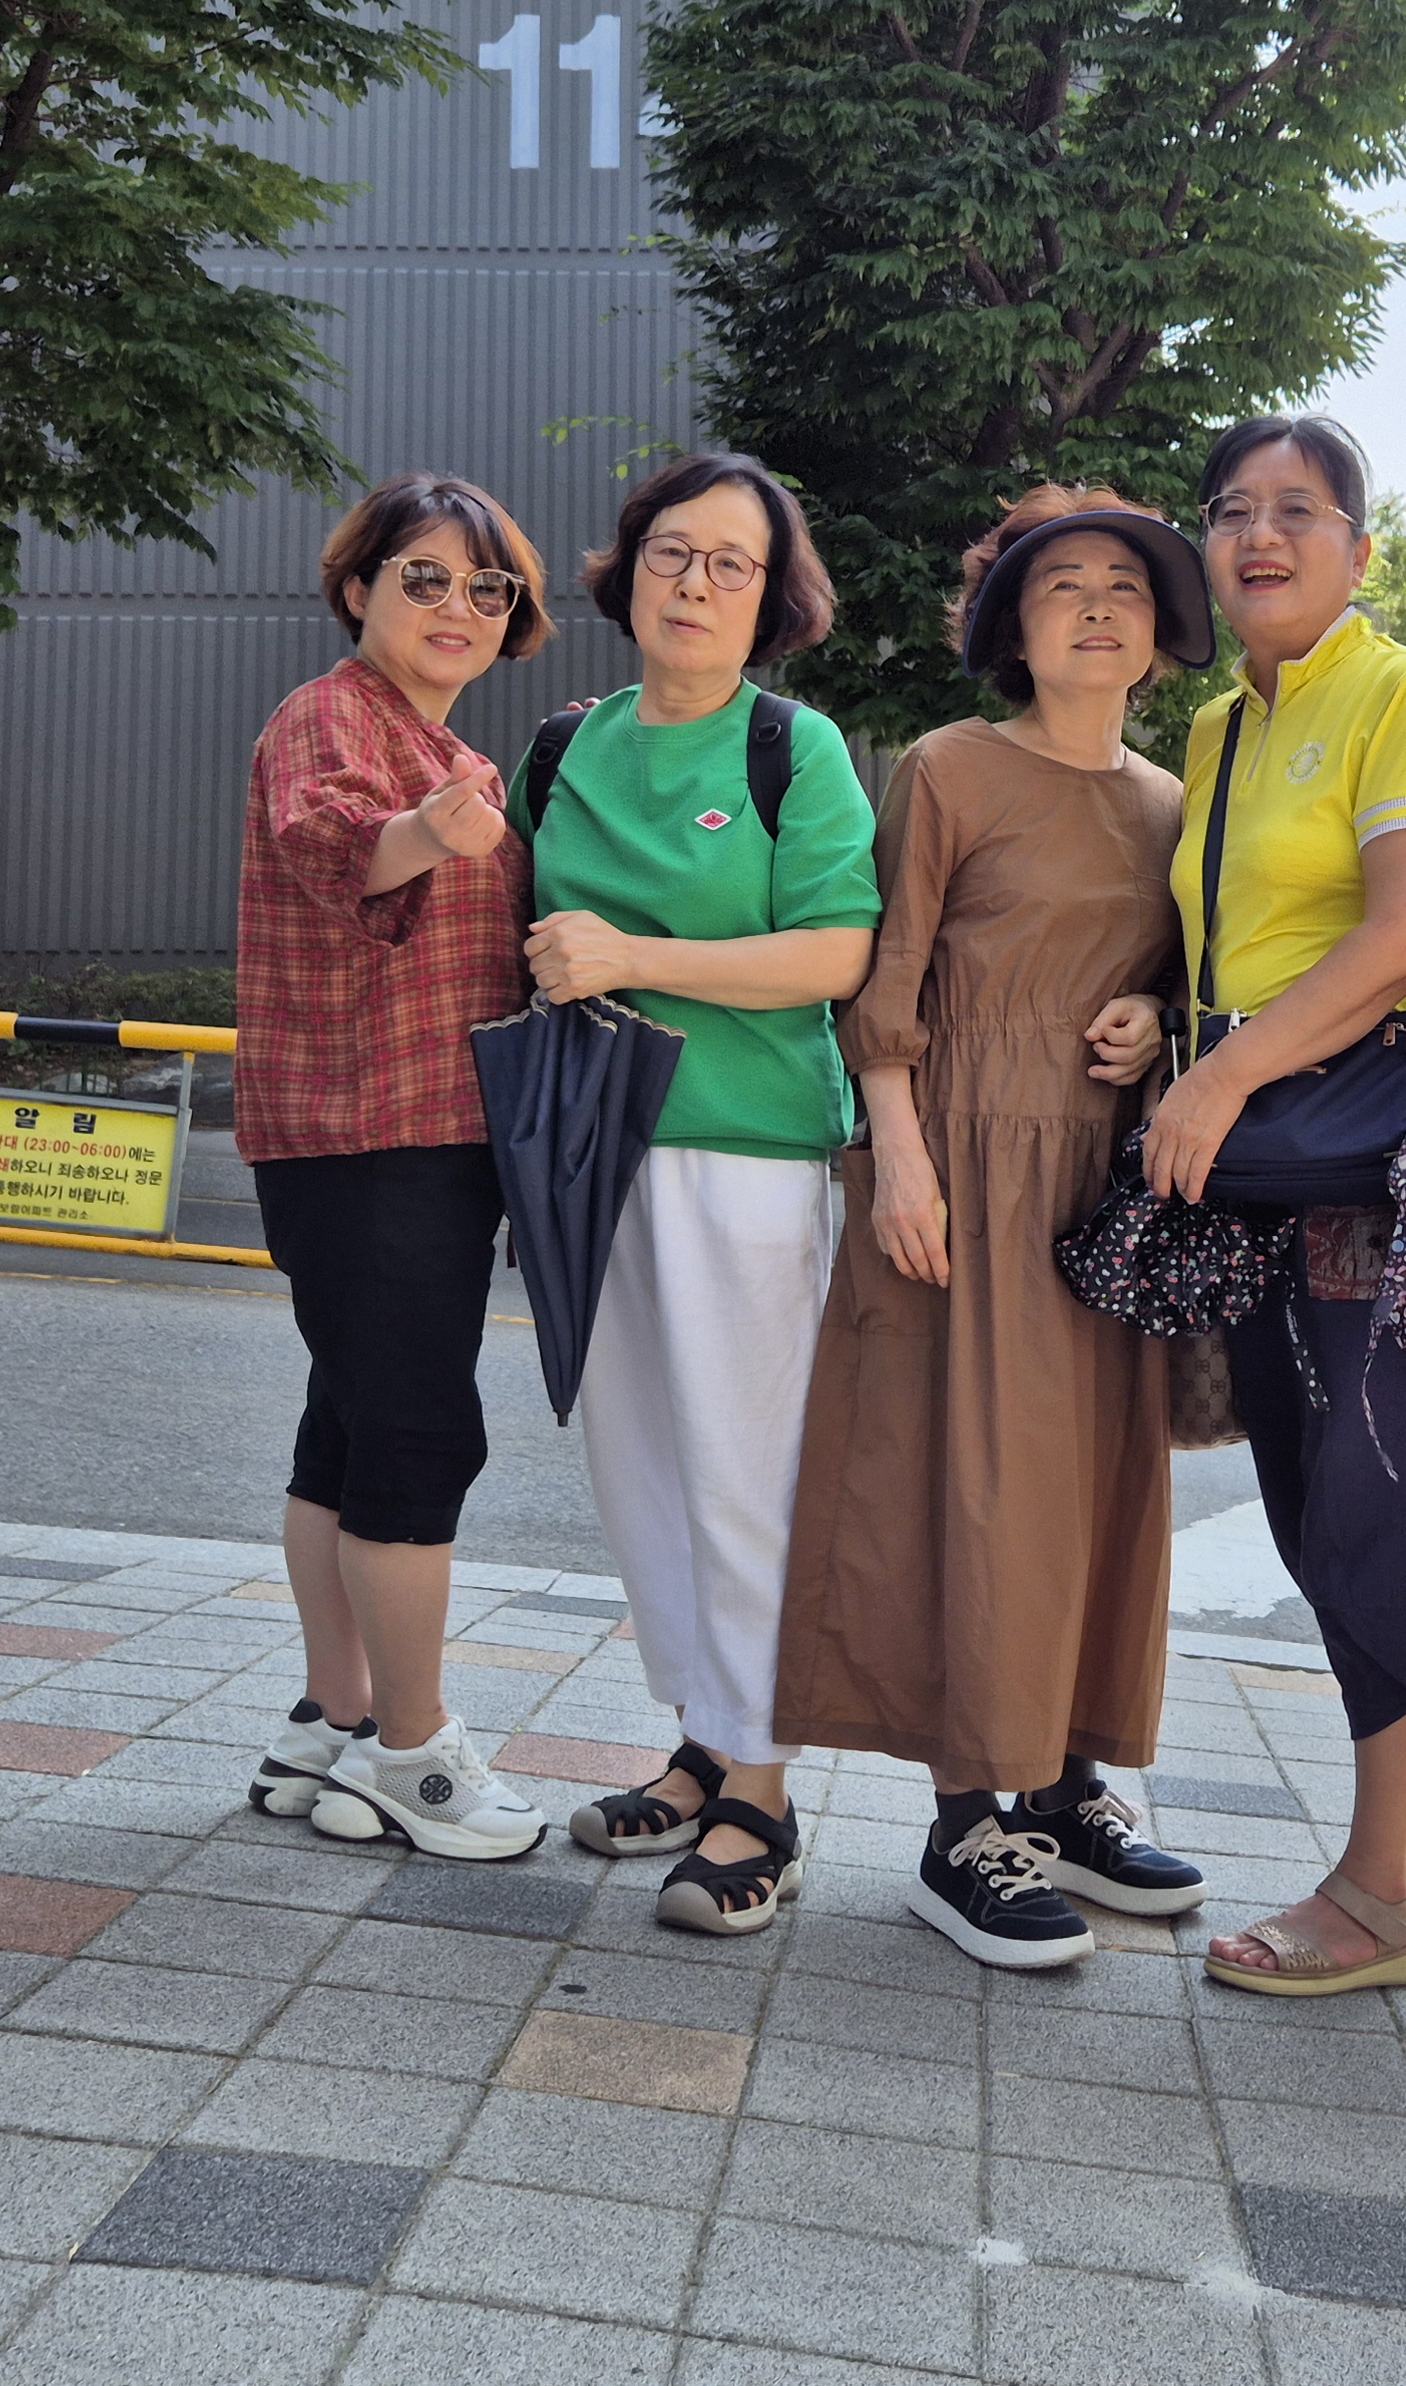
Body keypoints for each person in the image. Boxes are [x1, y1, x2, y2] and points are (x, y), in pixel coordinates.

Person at [775, 488, 1221, 1969]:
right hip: (960, 1161)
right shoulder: (951, 767)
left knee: (1099, 1485)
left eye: (1125, 587)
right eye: (1061, 586)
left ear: (1159, 634)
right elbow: (887, 975)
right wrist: (898, 1157)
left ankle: (1070, 1786)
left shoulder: (1173, 803)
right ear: (1012, 629)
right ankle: (965, 1822)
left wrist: (1152, 1014)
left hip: (1106, 1183)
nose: (1096, 607)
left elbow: (1183, 974)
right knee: (969, 1485)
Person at [1142, 415, 1406, 1999]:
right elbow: (1230, 942)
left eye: (1300, 509)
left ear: (1360, 547)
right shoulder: (1219, 726)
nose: (1261, 535)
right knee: (1312, 1504)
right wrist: (1162, 1030)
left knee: (1383, 1498)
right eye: (1233, 510)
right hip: (1264, 1165)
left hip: (1376, 1158)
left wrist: (1219, 1079)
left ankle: (1379, 1898)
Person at [519, 453, 881, 1936]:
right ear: (629, 568)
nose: (696, 583)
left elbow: (837, 953)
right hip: (590, 1150)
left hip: (749, 1152)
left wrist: (634, 957)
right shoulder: (564, 744)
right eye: (674, 551)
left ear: (771, 597)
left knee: (745, 1470)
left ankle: (765, 1794)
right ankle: (702, 1743)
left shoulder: (794, 748)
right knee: (644, 1466)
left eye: (734, 563)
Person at [234, 475, 559, 1860]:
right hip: (373, 1133)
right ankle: (416, 1756)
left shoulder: (447, 744)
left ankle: (334, 1720)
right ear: (358, 587)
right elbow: (329, 847)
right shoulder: (332, 718)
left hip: (402, 1134)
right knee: (421, 1437)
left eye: (488, 588)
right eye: (423, 577)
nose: (457, 607)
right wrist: (430, 831)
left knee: (352, 1432)